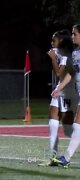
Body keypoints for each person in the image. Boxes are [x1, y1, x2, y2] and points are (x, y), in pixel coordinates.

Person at [39, 29, 75, 167]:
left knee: (68, 129)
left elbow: (60, 73)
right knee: (52, 121)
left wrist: (53, 58)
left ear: (61, 40)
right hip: (60, 89)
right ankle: (52, 157)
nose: (52, 42)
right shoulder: (60, 53)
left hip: (68, 91)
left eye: (54, 39)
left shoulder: (66, 54)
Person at [51, 24, 80, 168]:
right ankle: (66, 158)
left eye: (75, 34)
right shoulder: (75, 53)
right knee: (77, 125)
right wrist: (59, 89)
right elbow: (71, 73)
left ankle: (66, 158)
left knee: (77, 125)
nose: (72, 36)